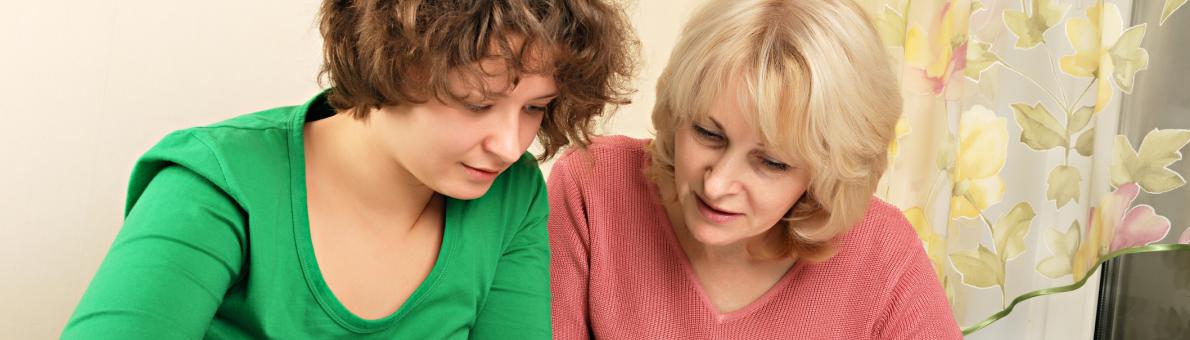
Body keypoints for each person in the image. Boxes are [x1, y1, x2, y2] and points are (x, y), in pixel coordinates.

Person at [63, 0, 635, 338]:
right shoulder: (218, 181)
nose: (510, 146)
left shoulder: (512, 197)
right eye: (476, 103)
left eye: (534, 108)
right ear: (389, 61)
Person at [547, 0, 961, 338]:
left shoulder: (881, 254)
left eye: (772, 162)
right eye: (709, 133)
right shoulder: (592, 186)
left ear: (826, 172)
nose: (719, 183)